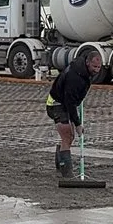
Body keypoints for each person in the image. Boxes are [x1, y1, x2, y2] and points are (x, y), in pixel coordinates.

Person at [44, 45, 102, 180]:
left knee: (68, 137)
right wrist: (78, 124)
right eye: (94, 67)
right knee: (68, 136)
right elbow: (69, 102)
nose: (96, 70)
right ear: (88, 63)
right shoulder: (75, 77)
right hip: (56, 104)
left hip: (66, 101)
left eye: (99, 68)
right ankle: (67, 173)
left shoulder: (83, 70)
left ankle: (60, 163)